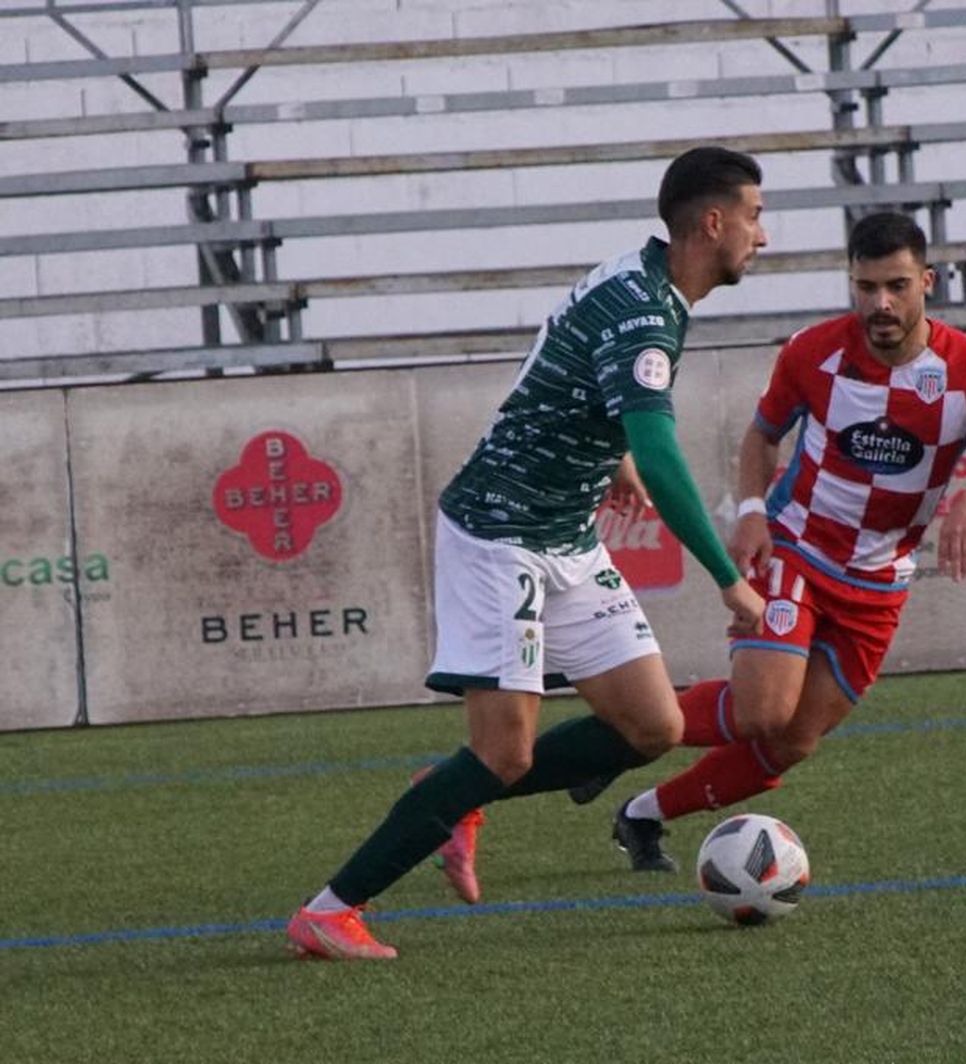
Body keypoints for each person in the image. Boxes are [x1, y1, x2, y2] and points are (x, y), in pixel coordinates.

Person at [287, 146, 769, 960]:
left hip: (566, 535)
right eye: (755, 216)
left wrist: (604, 456)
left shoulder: (639, 280)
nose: (764, 234)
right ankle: (330, 910)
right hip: (499, 533)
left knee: (653, 724)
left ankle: (460, 794)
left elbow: (554, 366)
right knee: (504, 750)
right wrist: (728, 580)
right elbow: (663, 457)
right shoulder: (646, 313)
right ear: (713, 223)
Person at [596, 210, 966, 871]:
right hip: (795, 546)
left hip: (878, 579)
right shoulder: (815, 352)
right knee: (763, 711)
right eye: (865, 287)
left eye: (895, 286)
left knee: (794, 740)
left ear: (928, 281)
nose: (880, 304)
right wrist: (751, 510)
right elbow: (761, 435)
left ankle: (642, 815)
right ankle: (604, 740)